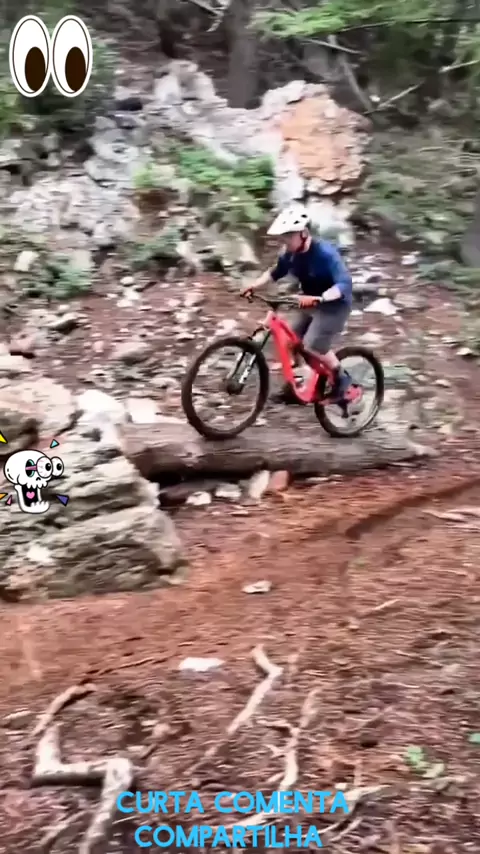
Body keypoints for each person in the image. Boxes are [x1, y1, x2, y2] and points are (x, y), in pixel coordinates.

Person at [241, 204, 353, 404]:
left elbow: (344, 283)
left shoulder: (325, 254)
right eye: (283, 236)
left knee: (312, 345)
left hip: (334, 305)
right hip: (309, 302)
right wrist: (253, 285)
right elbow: (275, 272)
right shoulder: (291, 254)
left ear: (304, 234)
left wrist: (323, 298)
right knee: (292, 341)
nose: (284, 241)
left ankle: (341, 379)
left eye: (289, 236)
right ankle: (297, 386)